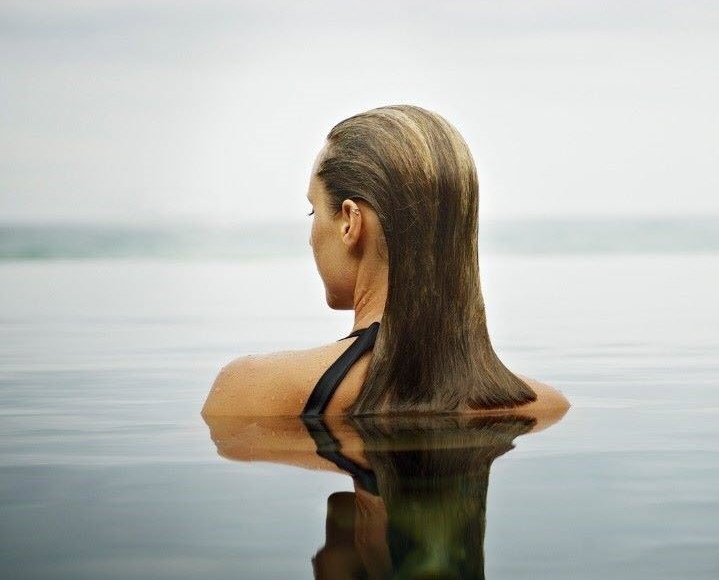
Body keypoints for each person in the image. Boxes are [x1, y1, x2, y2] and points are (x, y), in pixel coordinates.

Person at [201, 105, 569, 417]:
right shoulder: (546, 409)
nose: (310, 235)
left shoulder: (248, 392)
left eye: (313, 211)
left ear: (350, 222)